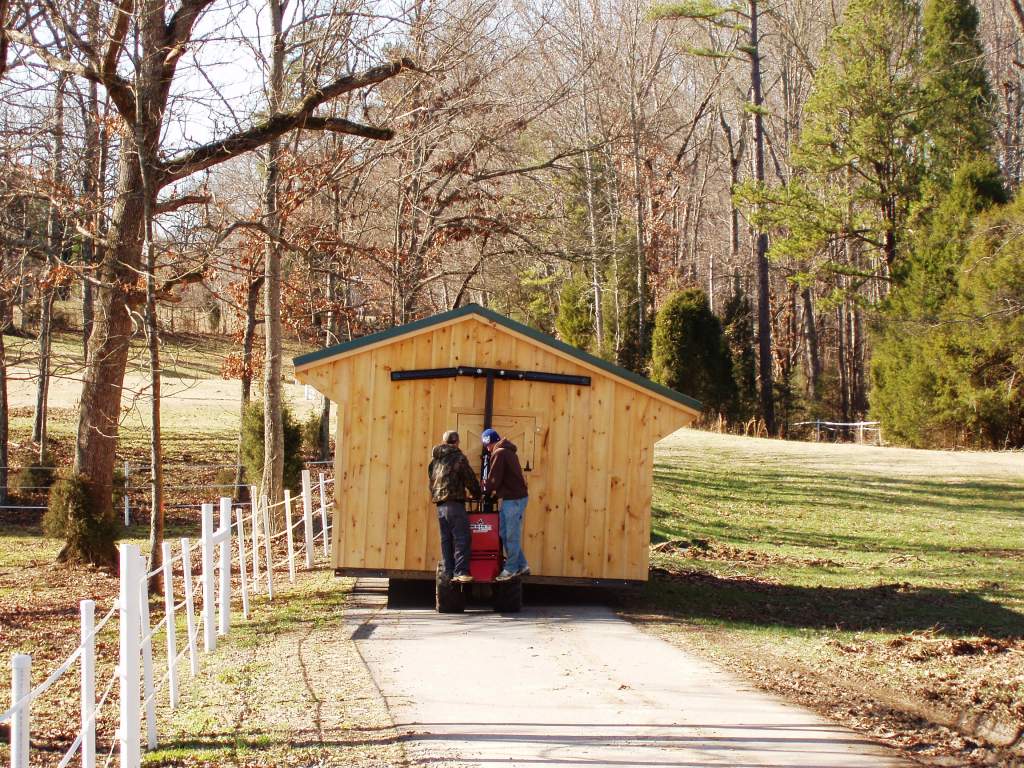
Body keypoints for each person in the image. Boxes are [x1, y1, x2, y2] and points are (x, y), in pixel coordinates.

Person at [428, 430, 480, 583]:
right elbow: (469, 479)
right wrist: (477, 495)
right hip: (454, 504)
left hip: (440, 505)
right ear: (457, 442)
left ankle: (448, 573)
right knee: (462, 538)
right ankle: (461, 571)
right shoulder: (458, 458)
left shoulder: (435, 460)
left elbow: (431, 482)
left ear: (444, 442)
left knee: (446, 539)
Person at [481, 428, 530, 581]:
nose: (487, 449)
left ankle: (511, 569)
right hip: (513, 499)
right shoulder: (507, 451)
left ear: (490, 442)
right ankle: (522, 565)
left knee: (511, 535)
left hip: (513, 500)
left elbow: (494, 479)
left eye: (487, 445)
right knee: (503, 532)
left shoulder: (499, 453)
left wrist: (484, 490)